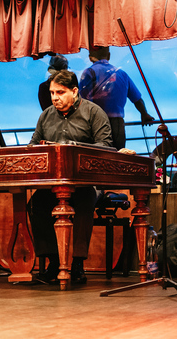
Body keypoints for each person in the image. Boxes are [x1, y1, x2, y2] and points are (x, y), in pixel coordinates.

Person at [28, 69, 112, 284]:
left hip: (86, 183)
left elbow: (105, 147)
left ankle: (76, 262)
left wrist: (77, 149)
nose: (55, 98)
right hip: (54, 185)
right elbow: (33, 146)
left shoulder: (94, 112)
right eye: (52, 93)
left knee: (83, 199)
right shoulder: (46, 115)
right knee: (37, 202)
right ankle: (54, 260)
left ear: (75, 91)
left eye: (61, 92)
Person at [79, 46, 155, 149]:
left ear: (90, 57)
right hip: (118, 125)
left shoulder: (89, 72)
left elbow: (83, 100)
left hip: (96, 123)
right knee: (118, 157)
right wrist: (144, 114)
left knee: (97, 157)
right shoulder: (121, 73)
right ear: (109, 55)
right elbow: (137, 99)